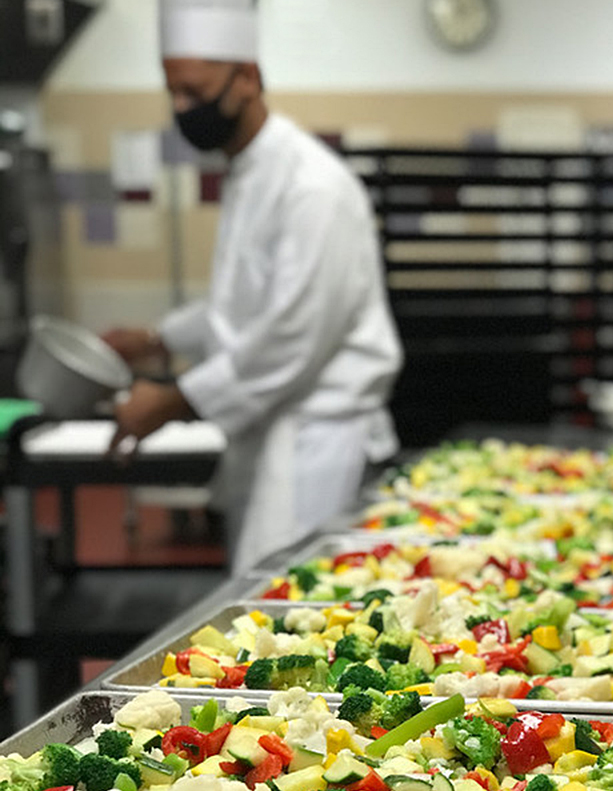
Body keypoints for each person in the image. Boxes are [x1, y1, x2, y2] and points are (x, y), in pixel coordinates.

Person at [104, 0, 403, 573]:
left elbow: (290, 337)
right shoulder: (248, 169)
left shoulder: (312, 186)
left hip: (317, 448)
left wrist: (174, 400)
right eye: (173, 94)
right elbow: (241, 304)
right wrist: (154, 338)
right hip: (274, 439)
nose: (182, 109)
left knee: (293, 618)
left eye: (194, 92)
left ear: (248, 78)